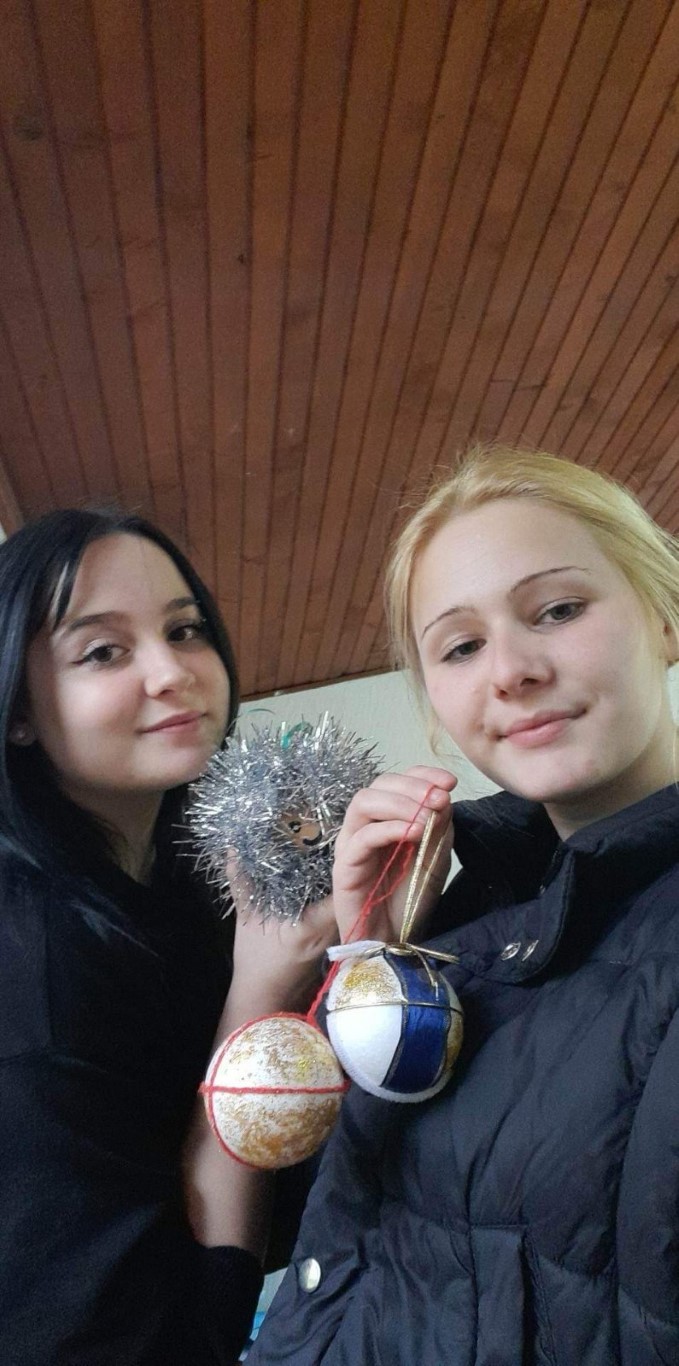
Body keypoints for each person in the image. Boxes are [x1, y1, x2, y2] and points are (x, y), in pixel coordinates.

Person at [248, 445, 679, 1365]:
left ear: (663, 616)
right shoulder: (458, 909)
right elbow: (329, 1208)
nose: (509, 671)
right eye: (460, 646)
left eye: (557, 610)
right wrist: (372, 956)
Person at [0, 507, 336, 1366]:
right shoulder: (31, 973)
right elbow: (152, 1337)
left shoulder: (186, 879)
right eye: (102, 651)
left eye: (185, 630)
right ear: (18, 710)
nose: (172, 672)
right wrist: (260, 996)